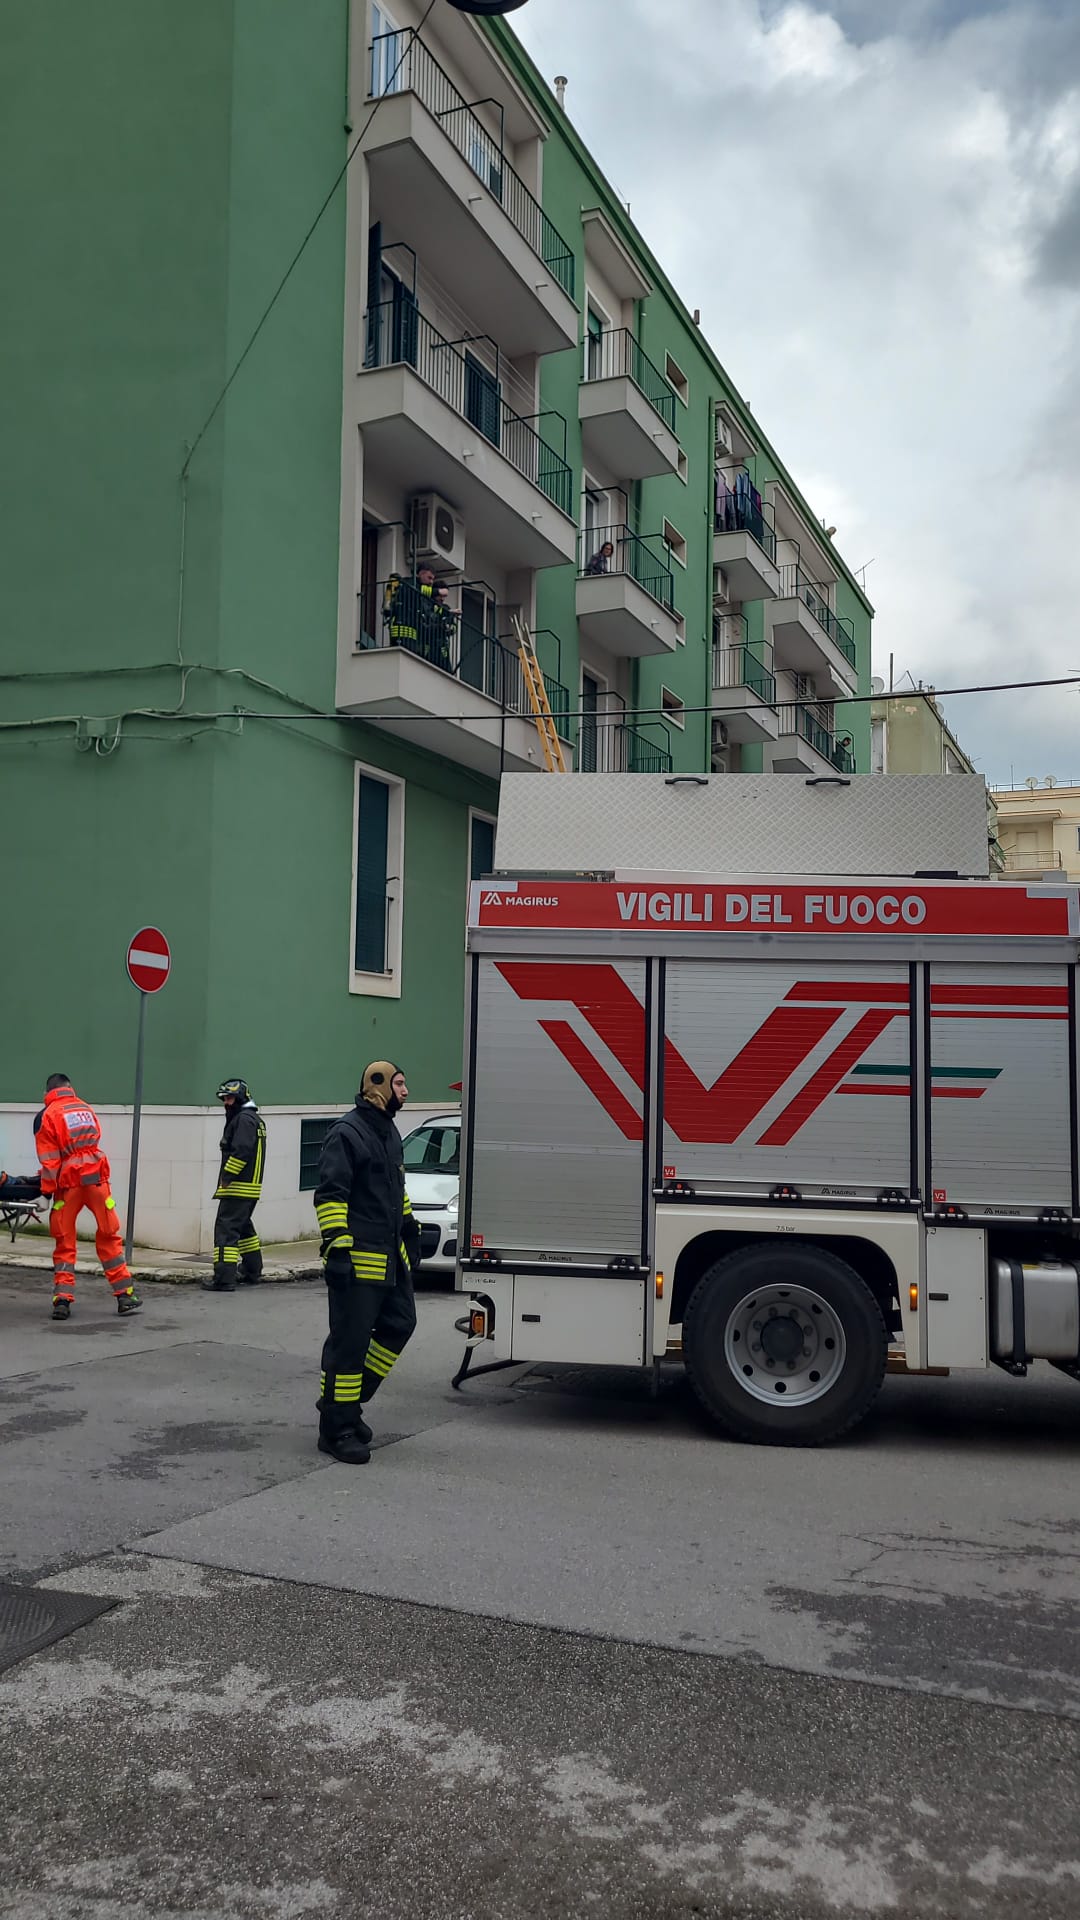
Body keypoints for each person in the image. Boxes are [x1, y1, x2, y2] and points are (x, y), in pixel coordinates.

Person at [313, 1061, 420, 1464]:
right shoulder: (347, 1132)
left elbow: (395, 1189)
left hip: (391, 1259)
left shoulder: (388, 1131)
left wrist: (409, 1226)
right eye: (399, 1083)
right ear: (378, 1086)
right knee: (349, 1345)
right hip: (357, 1263)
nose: (405, 1091)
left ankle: (345, 1404)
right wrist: (337, 1249)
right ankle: (336, 1430)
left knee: (400, 1324)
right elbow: (331, 1195)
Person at [34, 1073, 141, 1321]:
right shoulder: (85, 1108)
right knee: (109, 1236)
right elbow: (93, 1140)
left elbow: (50, 1160)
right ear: (69, 1088)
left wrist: (45, 1193)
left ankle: (62, 1301)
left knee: (65, 1242)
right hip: (96, 1179)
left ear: (47, 1092)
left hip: (69, 1184)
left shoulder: (47, 1115)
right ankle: (125, 1296)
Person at [203, 1078, 266, 1292]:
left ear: (239, 1098)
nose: (226, 1103)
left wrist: (227, 1176)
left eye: (229, 1098)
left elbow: (241, 1151)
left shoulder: (243, 1120)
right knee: (244, 1229)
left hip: (238, 1187)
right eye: (224, 1099)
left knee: (226, 1231)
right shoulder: (254, 1120)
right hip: (249, 1189)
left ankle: (224, 1278)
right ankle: (251, 1270)